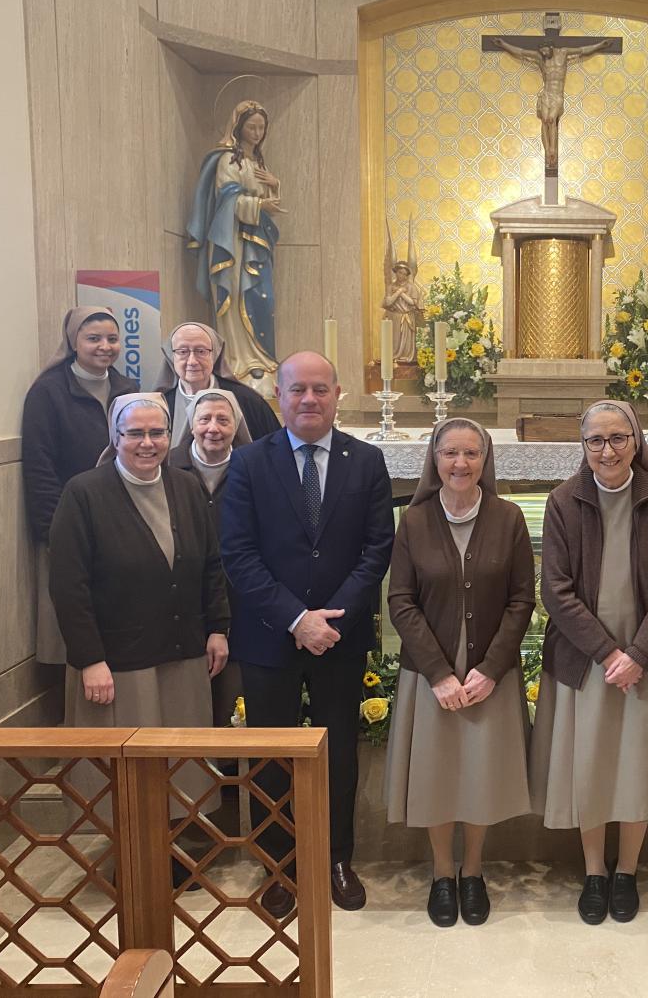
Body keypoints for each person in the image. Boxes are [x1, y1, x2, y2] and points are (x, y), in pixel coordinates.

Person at [218, 351, 395, 919]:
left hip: (339, 639)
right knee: (270, 753)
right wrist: (297, 619)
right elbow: (238, 555)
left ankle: (338, 857)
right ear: (279, 395)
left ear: (339, 394)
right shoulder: (247, 463)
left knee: (337, 750)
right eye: (298, 390)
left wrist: (330, 618)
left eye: (320, 389)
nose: (309, 400)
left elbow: (376, 549)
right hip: (271, 636)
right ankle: (278, 865)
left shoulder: (366, 461)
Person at [47, 393, 229, 885]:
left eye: (158, 433)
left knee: (176, 758)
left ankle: (166, 851)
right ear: (116, 437)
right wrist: (89, 660)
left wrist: (217, 627)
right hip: (119, 659)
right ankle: (131, 858)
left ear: (171, 437)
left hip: (181, 648)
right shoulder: (84, 493)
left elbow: (211, 563)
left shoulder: (187, 487)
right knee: (127, 765)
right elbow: (68, 585)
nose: (147, 443)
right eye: (136, 434)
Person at [529, 400, 648, 925]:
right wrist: (608, 654)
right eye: (596, 440)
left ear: (636, 441)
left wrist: (638, 654)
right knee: (593, 762)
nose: (607, 450)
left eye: (618, 438)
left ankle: (627, 870)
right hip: (588, 659)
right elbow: (554, 589)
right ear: (583, 448)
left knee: (636, 763)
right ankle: (595, 870)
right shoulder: (562, 501)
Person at [384, 418, 534, 928]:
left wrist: (491, 670)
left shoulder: (509, 518)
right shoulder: (415, 519)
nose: (460, 464)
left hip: (490, 677)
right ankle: (442, 873)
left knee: (480, 774)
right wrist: (439, 673)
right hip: (432, 676)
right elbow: (400, 601)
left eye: (471, 454)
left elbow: (521, 600)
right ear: (435, 460)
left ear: (485, 461)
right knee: (437, 775)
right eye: (450, 453)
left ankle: (473, 872)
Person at [21, 306, 137, 672]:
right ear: (74, 342)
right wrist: (54, 530)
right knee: (75, 616)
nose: (105, 346)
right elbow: (39, 467)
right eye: (93, 339)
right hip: (69, 521)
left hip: (120, 517)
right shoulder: (48, 392)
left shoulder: (127, 388)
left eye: (112, 338)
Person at [186, 100, 283, 397]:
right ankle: (237, 360)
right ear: (239, 128)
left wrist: (275, 187)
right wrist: (258, 204)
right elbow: (226, 199)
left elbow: (270, 204)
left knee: (261, 298)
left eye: (261, 127)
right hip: (234, 243)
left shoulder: (259, 164)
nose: (256, 132)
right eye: (251, 126)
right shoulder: (229, 160)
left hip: (257, 243)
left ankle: (260, 359)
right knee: (237, 293)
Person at [168, 388, 253, 729]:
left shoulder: (253, 464)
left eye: (223, 419)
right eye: (204, 419)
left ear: (236, 425)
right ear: (191, 424)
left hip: (239, 597)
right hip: (181, 597)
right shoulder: (167, 463)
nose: (213, 428)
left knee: (230, 702)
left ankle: (229, 777)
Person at [488, 37, 614, 171]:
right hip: (546, 94)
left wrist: (600, 45)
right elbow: (520, 52)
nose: (543, 54)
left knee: (551, 120)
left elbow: (583, 50)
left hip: (557, 95)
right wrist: (503, 45)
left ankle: (552, 149)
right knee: (544, 121)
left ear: (551, 47)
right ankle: (547, 150)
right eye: (541, 52)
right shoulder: (540, 57)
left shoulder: (563, 53)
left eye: (545, 51)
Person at [153, 321, 281, 444]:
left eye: (201, 351)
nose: (192, 361)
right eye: (182, 352)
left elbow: (274, 449)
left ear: (215, 354)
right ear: (171, 356)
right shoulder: (160, 405)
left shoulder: (247, 401)